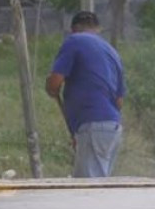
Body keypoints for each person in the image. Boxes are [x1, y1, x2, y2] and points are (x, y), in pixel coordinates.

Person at [45, 11, 127, 178]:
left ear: (73, 29)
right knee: (95, 183)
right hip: (112, 128)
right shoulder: (112, 52)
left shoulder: (74, 41)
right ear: (98, 29)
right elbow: (119, 101)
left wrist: (50, 87)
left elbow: (55, 82)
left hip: (93, 126)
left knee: (89, 188)